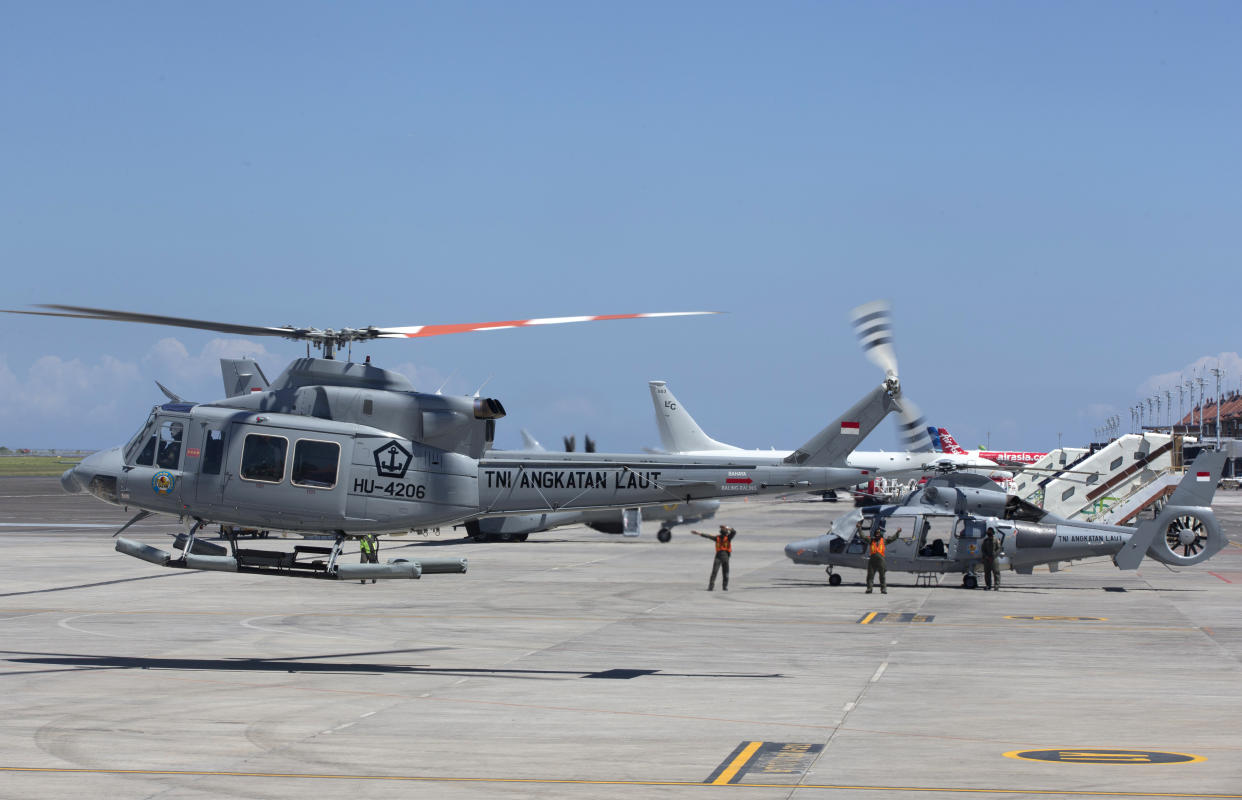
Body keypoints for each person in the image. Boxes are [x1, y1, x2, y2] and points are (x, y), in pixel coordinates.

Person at [692, 525, 736, 591]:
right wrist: (699, 533)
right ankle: (711, 587)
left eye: (724, 529)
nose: (722, 530)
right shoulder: (717, 538)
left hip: (726, 556)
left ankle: (725, 586)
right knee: (714, 572)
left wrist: (727, 527)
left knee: (725, 572)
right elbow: (708, 536)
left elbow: (734, 532)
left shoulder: (729, 537)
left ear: (726, 531)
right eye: (722, 529)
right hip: (718, 556)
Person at [865, 524, 903, 594]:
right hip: (872, 561)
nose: (877, 534)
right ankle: (869, 588)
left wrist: (898, 532)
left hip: (881, 561)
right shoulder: (871, 540)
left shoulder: (884, 541)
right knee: (870, 575)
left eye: (879, 533)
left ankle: (883, 589)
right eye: (876, 533)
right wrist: (859, 529)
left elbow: (892, 538)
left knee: (882, 576)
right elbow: (862, 536)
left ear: (880, 534)